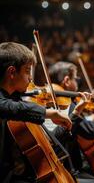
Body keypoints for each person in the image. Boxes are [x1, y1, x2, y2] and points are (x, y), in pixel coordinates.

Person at [0, 42, 72, 181]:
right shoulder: (7, 103)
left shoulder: (15, 98)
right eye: (27, 71)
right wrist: (50, 113)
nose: (31, 78)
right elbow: (11, 107)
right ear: (12, 72)